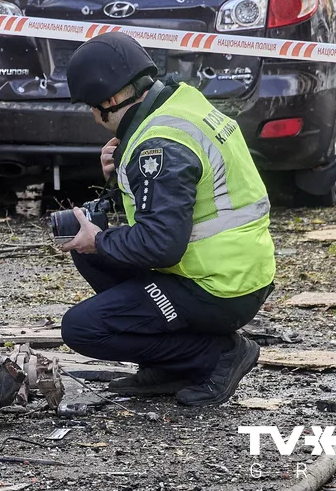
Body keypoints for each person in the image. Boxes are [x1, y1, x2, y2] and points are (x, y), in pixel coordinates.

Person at [57, 32, 275, 407]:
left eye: (94, 108)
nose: (95, 118)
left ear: (111, 100)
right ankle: (169, 363)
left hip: (219, 286)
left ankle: (218, 355)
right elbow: (176, 197)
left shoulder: (159, 146)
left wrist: (100, 240)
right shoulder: (181, 103)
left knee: (81, 328)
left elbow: (161, 244)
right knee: (89, 250)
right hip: (238, 267)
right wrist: (118, 176)